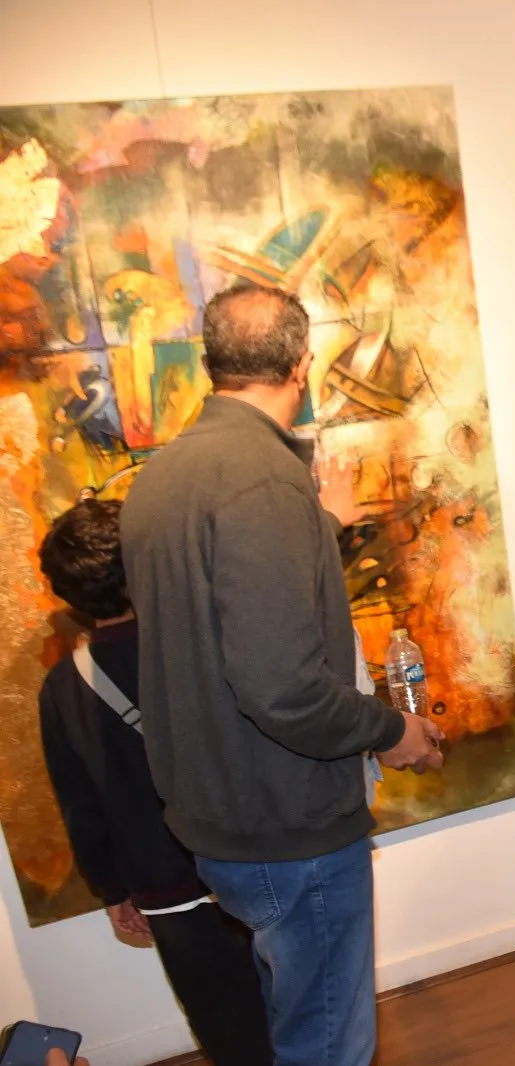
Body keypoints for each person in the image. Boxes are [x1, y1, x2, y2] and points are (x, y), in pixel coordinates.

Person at [121, 285, 445, 1066]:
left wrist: (321, 523)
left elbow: (224, 615)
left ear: (212, 362)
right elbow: (283, 689)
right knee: (328, 1043)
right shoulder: (262, 480)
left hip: (221, 816)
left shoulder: (162, 477)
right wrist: (392, 731)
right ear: (301, 365)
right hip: (285, 824)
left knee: (295, 1021)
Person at [35, 499, 271, 1066]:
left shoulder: (63, 688)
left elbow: (80, 806)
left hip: (166, 889)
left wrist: (112, 891)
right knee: (306, 1010)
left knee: (228, 1032)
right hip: (257, 859)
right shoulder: (207, 640)